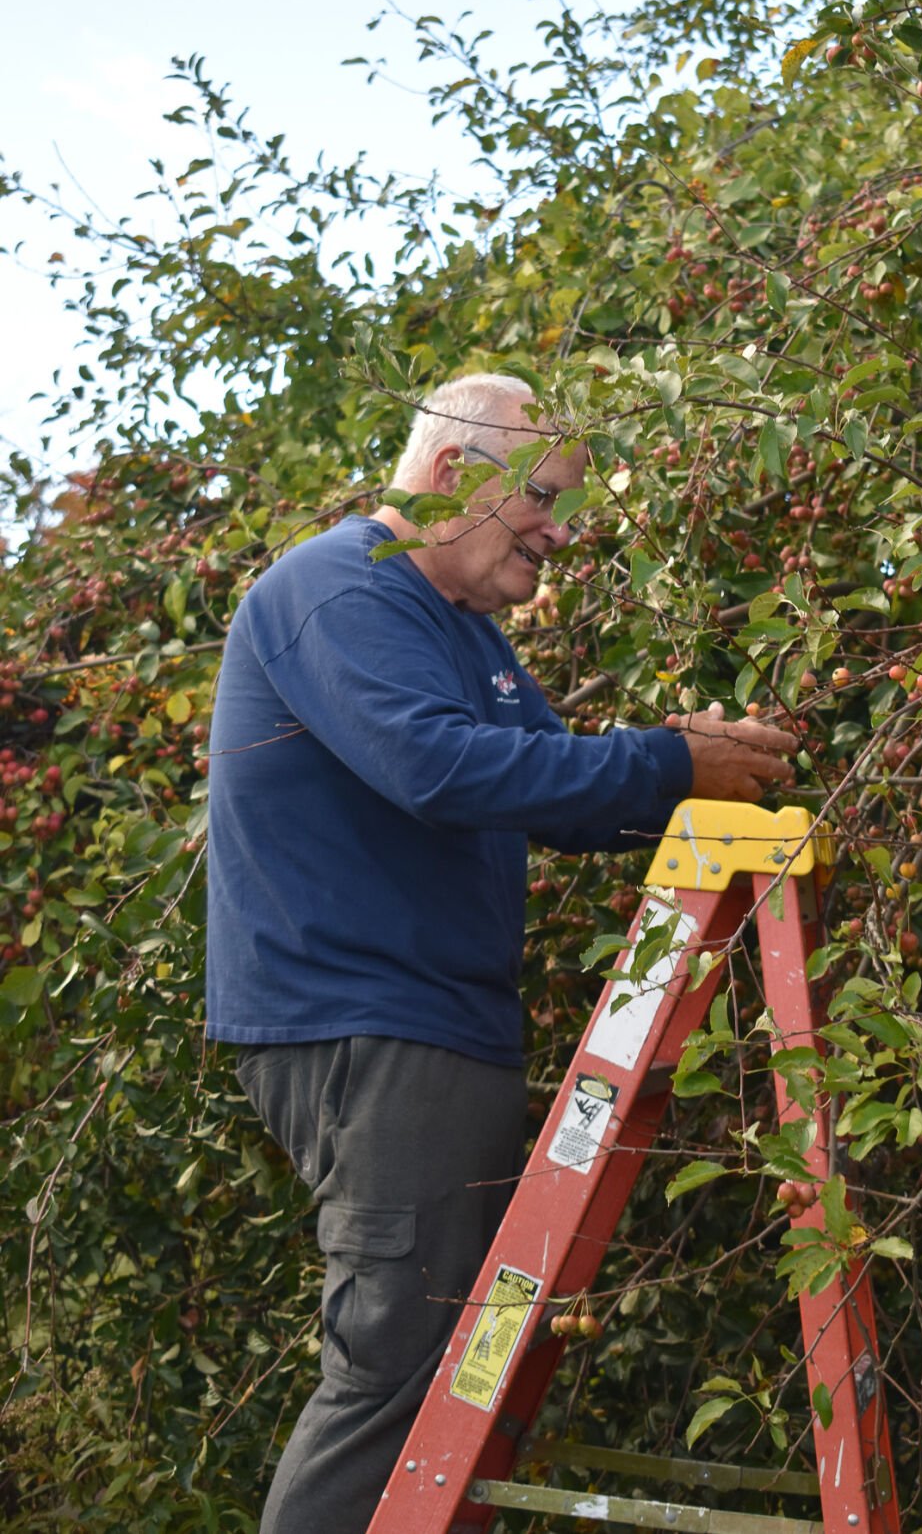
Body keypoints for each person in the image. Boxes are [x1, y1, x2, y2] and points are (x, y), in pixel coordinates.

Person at [205, 373, 793, 1534]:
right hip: (368, 1027)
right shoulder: (340, 590)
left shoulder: (454, 630)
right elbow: (443, 769)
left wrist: (696, 762)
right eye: (538, 495)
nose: (556, 530)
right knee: (392, 1365)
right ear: (447, 474)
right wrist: (670, 763)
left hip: (425, 1025)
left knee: (428, 1369)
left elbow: (553, 787)